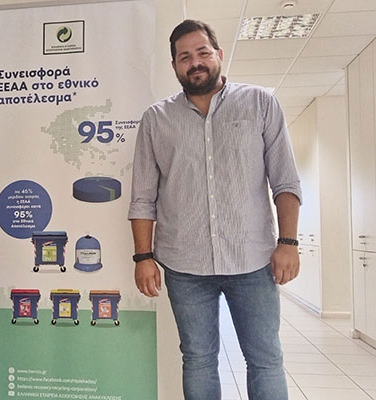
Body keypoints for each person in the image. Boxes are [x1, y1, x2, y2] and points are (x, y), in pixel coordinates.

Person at [128, 19, 301, 400]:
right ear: (174, 65)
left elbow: (285, 181)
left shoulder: (260, 103)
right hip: (185, 266)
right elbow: (143, 196)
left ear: (219, 55)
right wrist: (143, 256)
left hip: (252, 262)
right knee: (198, 360)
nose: (195, 62)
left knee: (265, 360)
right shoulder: (156, 119)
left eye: (202, 52)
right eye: (185, 57)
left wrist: (288, 242)